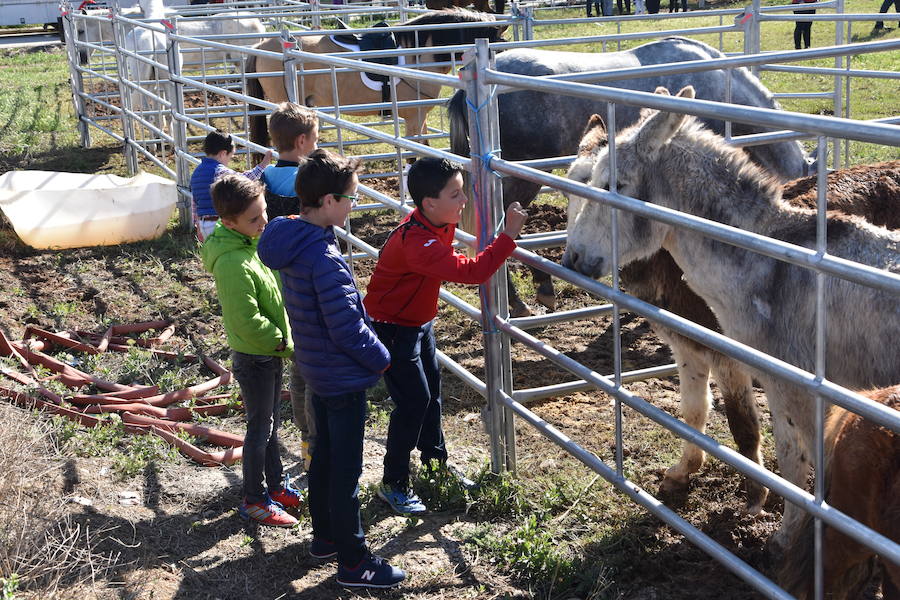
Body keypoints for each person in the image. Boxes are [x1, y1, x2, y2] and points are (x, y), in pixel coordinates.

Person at [257, 149, 404, 589]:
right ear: (325, 201)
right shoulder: (324, 259)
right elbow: (345, 328)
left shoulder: (294, 239)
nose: (353, 205)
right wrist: (382, 359)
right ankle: (355, 561)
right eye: (349, 198)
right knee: (346, 470)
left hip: (317, 368)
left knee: (323, 457)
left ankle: (324, 538)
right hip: (339, 375)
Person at [363, 157, 528, 515]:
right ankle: (393, 483)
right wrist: (508, 236)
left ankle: (436, 465)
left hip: (417, 324)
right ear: (429, 203)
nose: (464, 201)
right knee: (413, 403)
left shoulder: (435, 221)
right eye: (456, 194)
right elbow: (474, 272)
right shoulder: (417, 242)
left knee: (431, 394)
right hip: (393, 329)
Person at [199, 175, 300, 528]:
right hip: (256, 355)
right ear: (229, 222)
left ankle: (274, 486)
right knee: (260, 430)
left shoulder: (247, 245)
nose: (265, 222)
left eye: (265, 212)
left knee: (269, 426)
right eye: (255, 218)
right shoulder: (232, 261)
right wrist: (282, 341)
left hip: (267, 352)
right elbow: (246, 318)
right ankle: (255, 499)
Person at [189, 130, 272, 242]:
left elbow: (194, 201)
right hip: (219, 222)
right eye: (230, 156)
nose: (229, 161)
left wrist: (197, 223)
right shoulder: (219, 171)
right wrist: (263, 165)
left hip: (203, 223)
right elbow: (243, 181)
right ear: (223, 153)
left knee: (212, 251)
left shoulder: (196, 172)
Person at [260, 101, 319, 220]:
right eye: (315, 141)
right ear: (301, 141)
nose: (316, 147)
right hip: (304, 237)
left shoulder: (266, 174)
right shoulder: (309, 178)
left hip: (272, 235)